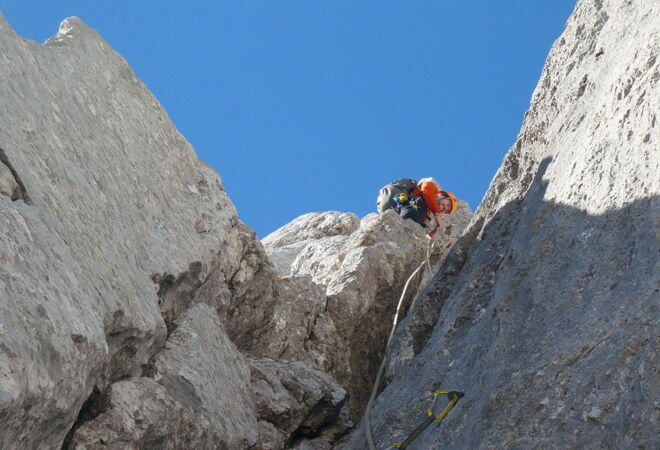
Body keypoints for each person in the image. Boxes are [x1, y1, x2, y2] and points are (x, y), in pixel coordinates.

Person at [376, 177, 458, 239]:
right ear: (442, 195)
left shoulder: (428, 210)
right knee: (419, 208)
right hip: (398, 196)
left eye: (446, 211)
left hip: (391, 205)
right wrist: (437, 215)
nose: (445, 208)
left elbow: (421, 230)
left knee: (420, 222)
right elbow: (427, 190)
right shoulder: (432, 187)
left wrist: (434, 232)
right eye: (447, 204)